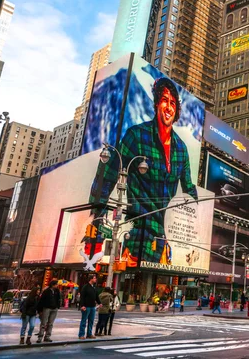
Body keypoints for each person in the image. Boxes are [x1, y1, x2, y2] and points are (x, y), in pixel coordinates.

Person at [86, 77, 199, 269]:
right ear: (156, 103)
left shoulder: (181, 149)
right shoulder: (136, 136)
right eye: (164, 100)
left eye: (173, 103)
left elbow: (189, 190)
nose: (169, 107)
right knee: (130, 277)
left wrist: (196, 228)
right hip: (137, 234)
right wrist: (97, 218)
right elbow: (109, 174)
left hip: (166, 239)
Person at [36, 279, 61, 343]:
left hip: (54, 308)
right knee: (44, 323)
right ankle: (40, 337)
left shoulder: (57, 291)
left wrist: (58, 306)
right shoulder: (46, 291)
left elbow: (59, 298)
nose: (57, 285)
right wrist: (40, 310)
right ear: (53, 285)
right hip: (47, 308)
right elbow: (42, 300)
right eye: (56, 284)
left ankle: (47, 336)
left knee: (50, 323)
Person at [79, 274, 101, 340]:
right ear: (90, 279)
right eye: (94, 278)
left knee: (91, 321)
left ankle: (89, 333)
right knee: (84, 320)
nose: (95, 279)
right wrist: (82, 305)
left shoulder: (94, 287)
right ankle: (81, 334)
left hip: (92, 307)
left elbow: (96, 296)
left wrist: (99, 303)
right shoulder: (85, 287)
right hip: (86, 306)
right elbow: (82, 297)